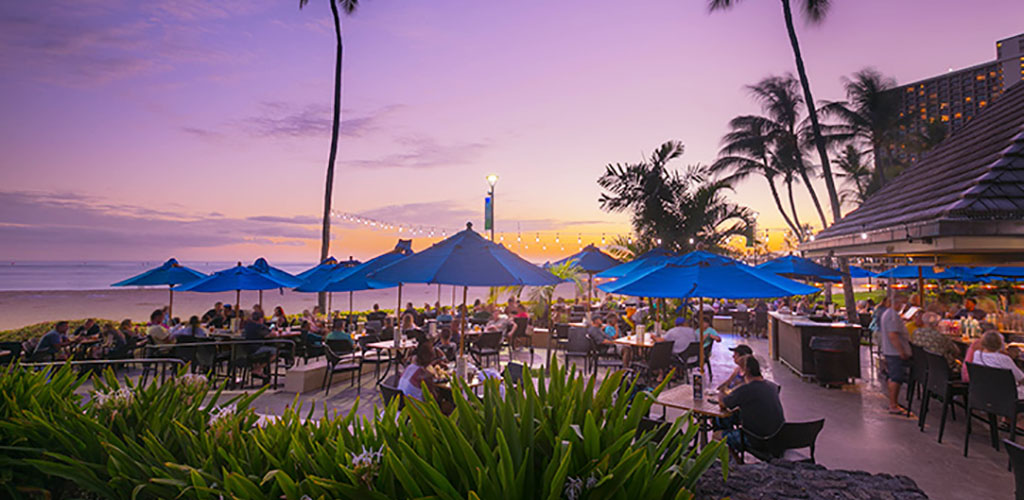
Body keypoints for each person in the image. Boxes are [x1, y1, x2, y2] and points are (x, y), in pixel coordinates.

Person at [718, 356, 785, 452]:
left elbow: (723, 404)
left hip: (757, 440)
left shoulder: (746, 389)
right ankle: (735, 460)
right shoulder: (772, 386)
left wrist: (721, 393)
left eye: (740, 370)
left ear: (746, 371)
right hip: (777, 437)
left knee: (718, 435)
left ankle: (731, 464)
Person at [880, 294, 912, 414]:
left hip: (891, 351)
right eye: (902, 303)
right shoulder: (892, 316)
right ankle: (893, 404)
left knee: (893, 376)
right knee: (896, 377)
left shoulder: (889, 314)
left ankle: (893, 402)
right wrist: (901, 351)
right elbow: (892, 335)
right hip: (894, 352)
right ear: (896, 303)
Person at [972, 331, 1024, 398]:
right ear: (1000, 344)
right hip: (1006, 396)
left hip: (983, 395)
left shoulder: (977, 354)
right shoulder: (1004, 359)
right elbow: (1021, 378)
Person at [243, 311, 276, 379]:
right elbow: (270, 334)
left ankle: (257, 369)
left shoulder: (248, 325)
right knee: (275, 351)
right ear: (260, 319)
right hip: (255, 348)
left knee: (266, 350)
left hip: (246, 349)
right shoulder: (259, 327)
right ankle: (258, 369)